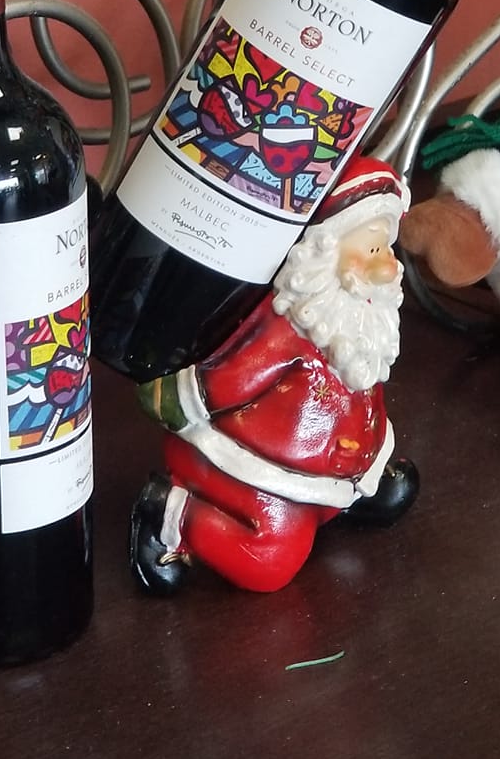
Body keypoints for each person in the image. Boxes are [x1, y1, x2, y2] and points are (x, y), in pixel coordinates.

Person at [129, 159, 419, 595]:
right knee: (268, 564)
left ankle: (351, 491)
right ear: (323, 249)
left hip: (335, 467)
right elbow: (232, 377)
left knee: (388, 488)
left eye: (386, 248)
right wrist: (172, 398)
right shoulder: (291, 323)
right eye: (372, 250)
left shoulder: (358, 319)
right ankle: (172, 511)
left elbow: (360, 379)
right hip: (264, 470)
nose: (387, 268)